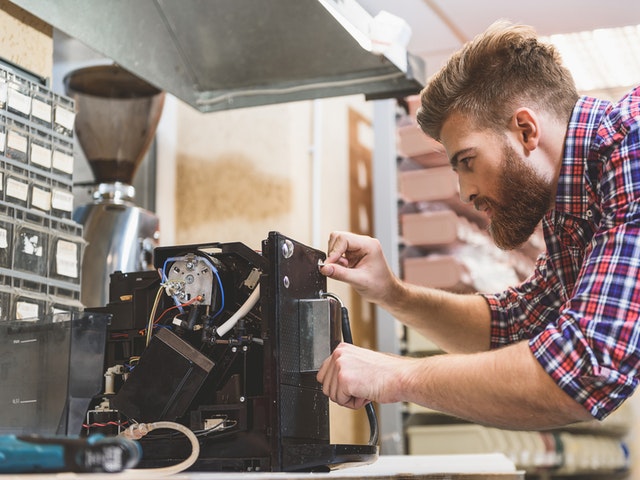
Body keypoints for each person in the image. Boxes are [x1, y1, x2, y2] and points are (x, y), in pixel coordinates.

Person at [317, 20, 640, 430]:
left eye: (467, 161)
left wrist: (396, 376)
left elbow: (586, 367)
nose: (464, 192)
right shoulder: (571, 207)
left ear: (525, 130)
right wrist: (392, 293)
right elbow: (515, 325)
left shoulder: (632, 147)